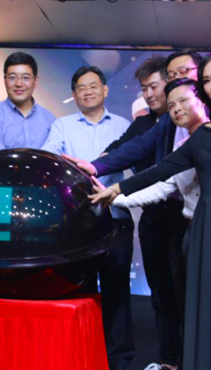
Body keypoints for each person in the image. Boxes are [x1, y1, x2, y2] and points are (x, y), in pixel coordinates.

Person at [91, 49, 211, 370]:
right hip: (204, 232)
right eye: (207, 80)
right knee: (206, 311)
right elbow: (161, 171)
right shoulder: (205, 134)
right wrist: (116, 190)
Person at [66, 50, 202, 370]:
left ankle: (195, 359)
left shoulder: (204, 123)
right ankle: (170, 361)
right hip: (153, 216)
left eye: (156, 85)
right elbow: (127, 151)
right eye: (145, 88)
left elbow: (163, 176)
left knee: (188, 294)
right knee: (161, 294)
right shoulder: (154, 123)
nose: (151, 93)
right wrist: (96, 167)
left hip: (186, 219)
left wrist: (117, 192)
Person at [40, 66, 133, 370]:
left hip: (115, 217)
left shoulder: (124, 126)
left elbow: (138, 166)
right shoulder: (62, 126)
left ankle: (119, 359)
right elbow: (49, 159)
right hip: (76, 223)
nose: (88, 91)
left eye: (93, 86)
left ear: (105, 90)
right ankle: (81, 354)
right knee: (80, 290)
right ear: (74, 94)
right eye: (81, 87)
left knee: (117, 290)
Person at [101, 78, 206, 245]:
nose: (177, 108)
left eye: (183, 101)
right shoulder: (181, 148)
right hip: (193, 232)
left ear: (201, 99)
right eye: (171, 106)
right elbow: (161, 188)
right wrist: (113, 198)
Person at [0, 52, 56, 152]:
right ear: (4, 80)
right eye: (12, 77)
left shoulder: (50, 119)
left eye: (25, 78)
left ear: (35, 80)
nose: (19, 84)